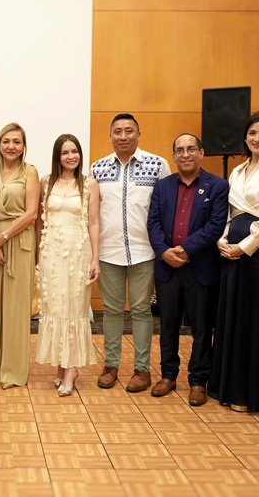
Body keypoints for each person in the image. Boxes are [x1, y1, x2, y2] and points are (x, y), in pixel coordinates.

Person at [208, 111, 259, 417]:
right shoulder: (238, 171)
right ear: (245, 137)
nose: (257, 139)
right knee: (233, 319)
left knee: (255, 320)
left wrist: (243, 248)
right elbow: (232, 212)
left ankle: (254, 394)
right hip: (232, 250)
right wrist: (223, 240)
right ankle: (229, 388)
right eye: (252, 133)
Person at [90, 113, 170, 392]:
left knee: (141, 311)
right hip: (108, 251)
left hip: (144, 251)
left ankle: (142, 369)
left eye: (129, 131)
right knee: (111, 311)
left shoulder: (157, 165)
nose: (123, 136)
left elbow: (166, 208)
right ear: (110, 136)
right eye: (117, 132)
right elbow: (92, 214)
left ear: (139, 134)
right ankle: (110, 365)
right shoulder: (97, 168)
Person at [146, 133, 228, 406]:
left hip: (200, 268)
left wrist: (186, 250)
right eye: (179, 150)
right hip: (167, 267)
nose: (185, 154)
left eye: (191, 149)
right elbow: (153, 223)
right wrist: (164, 251)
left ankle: (198, 380)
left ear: (201, 153)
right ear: (173, 156)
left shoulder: (217, 186)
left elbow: (215, 226)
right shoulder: (162, 186)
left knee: (202, 327)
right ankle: (168, 375)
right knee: (167, 326)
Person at [36, 134, 100, 396]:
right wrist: (39, 254)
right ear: (57, 156)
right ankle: (61, 366)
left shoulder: (89, 184)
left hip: (78, 252)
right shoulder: (46, 182)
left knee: (74, 308)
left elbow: (94, 222)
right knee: (54, 307)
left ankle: (71, 369)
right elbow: (40, 220)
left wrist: (95, 258)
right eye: (65, 152)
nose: (71, 156)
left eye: (75, 151)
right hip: (51, 252)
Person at [0, 123, 40, 389]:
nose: (11, 146)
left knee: (17, 309)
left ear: (23, 145)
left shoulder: (30, 172)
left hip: (20, 241)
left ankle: (13, 372)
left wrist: (2, 239)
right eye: (6, 141)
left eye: (16, 142)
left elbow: (31, 214)